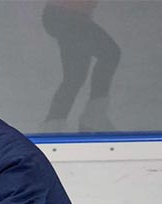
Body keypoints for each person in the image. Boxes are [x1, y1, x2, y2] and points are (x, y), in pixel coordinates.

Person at [40, 0, 121, 132]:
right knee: (110, 54)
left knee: (75, 77)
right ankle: (92, 117)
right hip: (68, 15)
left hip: (67, 15)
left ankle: (55, 123)